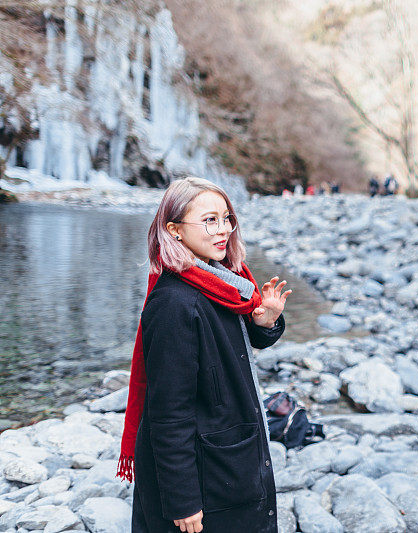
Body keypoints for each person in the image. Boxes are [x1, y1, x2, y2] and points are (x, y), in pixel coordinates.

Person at [118, 177, 292, 533]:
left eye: (226, 218)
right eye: (209, 220)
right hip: (204, 470)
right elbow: (169, 410)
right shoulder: (174, 303)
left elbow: (233, 349)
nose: (223, 230)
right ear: (174, 230)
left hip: (224, 452)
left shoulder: (222, 280)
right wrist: (182, 499)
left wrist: (265, 322)